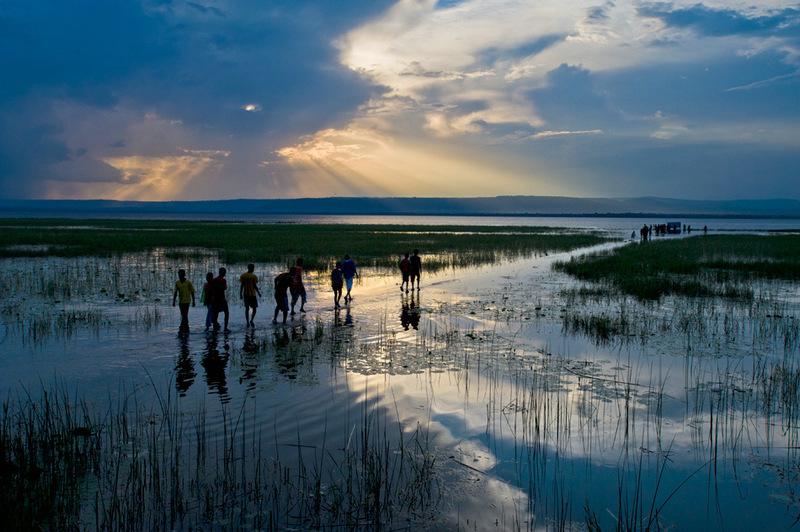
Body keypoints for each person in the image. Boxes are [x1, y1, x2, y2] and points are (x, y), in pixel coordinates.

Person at [211, 267, 230, 332]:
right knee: (226, 313)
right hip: (221, 299)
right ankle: (225, 328)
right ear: (224, 273)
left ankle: (215, 327)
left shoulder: (214, 280)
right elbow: (224, 288)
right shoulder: (223, 280)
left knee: (215, 314)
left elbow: (212, 289)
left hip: (215, 299)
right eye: (224, 273)